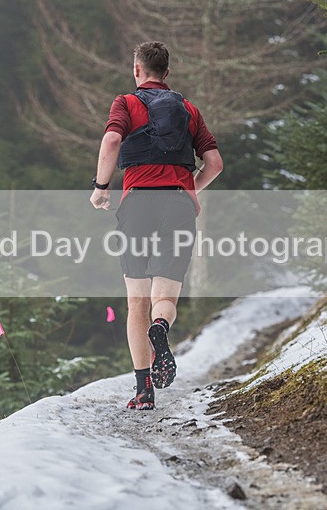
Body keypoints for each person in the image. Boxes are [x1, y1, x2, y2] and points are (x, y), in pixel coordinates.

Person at [89, 41, 223, 410]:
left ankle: (143, 390)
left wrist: (101, 187)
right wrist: (187, 189)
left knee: (137, 301)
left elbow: (112, 140)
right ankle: (160, 328)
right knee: (164, 298)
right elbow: (214, 163)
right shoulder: (189, 110)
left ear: (137, 70)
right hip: (177, 206)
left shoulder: (126, 103)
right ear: (167, 73)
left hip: (137, 206)